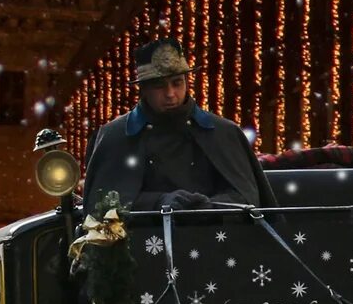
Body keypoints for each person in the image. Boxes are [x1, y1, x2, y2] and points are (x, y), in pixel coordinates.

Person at [79, 37, 279, 212]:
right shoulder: (116, 137)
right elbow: (102, 208)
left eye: (177, 83)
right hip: (142, 248)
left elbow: (248, 198)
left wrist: (210, 208)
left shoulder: (223, 133)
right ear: (143, 89)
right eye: (159, 86)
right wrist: (159, 202)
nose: (170, 94)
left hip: (218, 244)